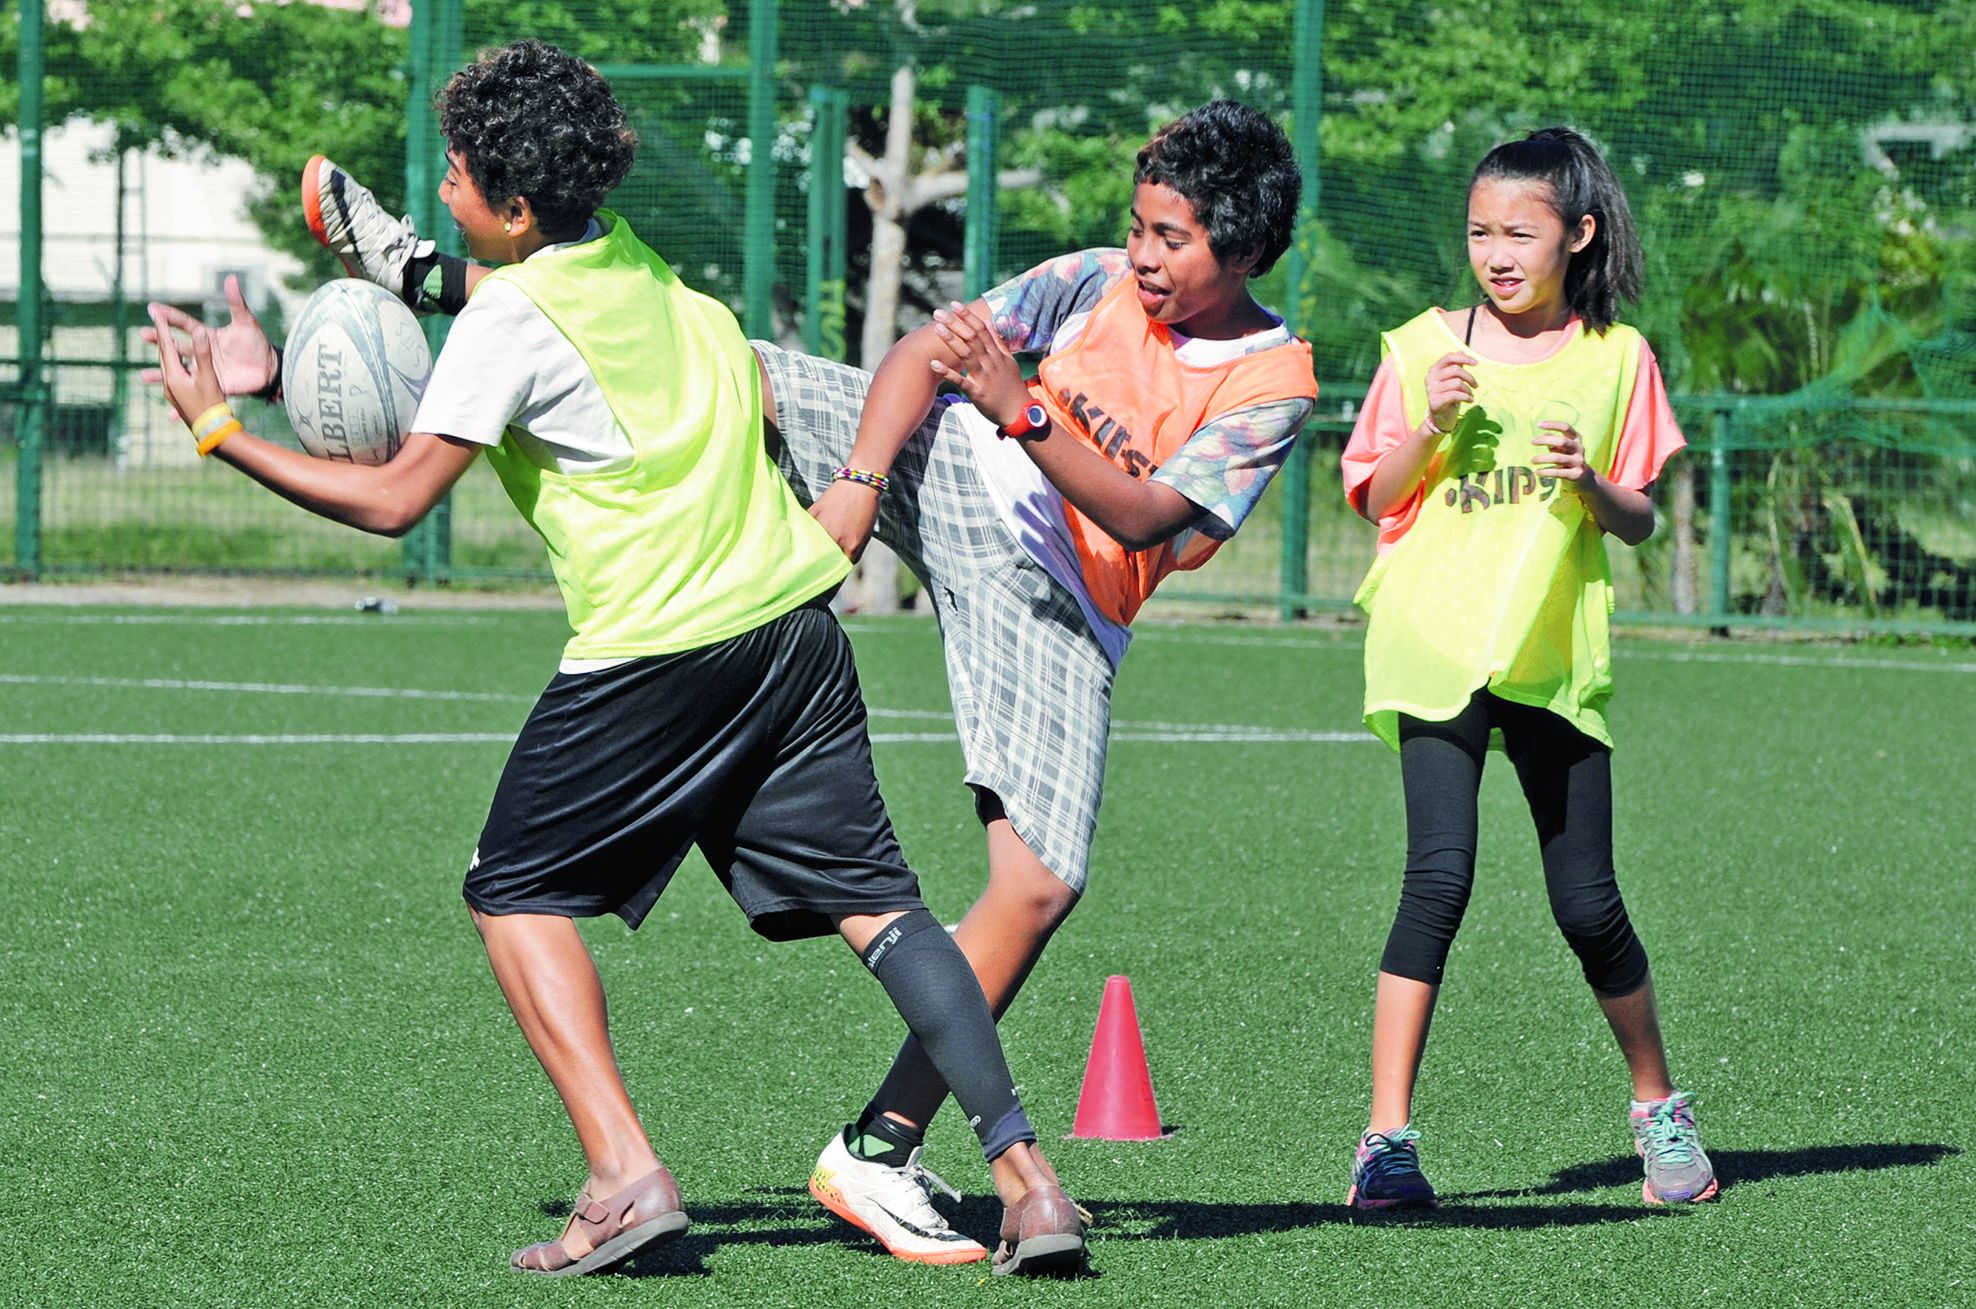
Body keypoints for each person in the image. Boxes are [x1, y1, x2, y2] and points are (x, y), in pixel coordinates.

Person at [295, 98, 1319, 1262]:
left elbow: (1144, 513)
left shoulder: (1274, 378)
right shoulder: (1093, 276)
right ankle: (429, 276)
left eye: (1171, 242)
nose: (1141, 257)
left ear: (1241, 251)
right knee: (719, 353)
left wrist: (1020, 405)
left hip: (1057, 596)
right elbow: (923, 356)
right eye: (1138, 227)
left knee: (1037, 887)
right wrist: (859, 478)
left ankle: (879, 1149)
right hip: (949, 466)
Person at [144, 38, 1085, 1277]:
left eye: (461, 176)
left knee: (509, 888)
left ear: (515, 204)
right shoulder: (645, 273)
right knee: (886, 911)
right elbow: (577, 348)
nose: (444, 193)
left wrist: (221, 428)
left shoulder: (513, 317)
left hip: (659, 651)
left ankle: (623, 1174)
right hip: (795, 630)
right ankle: (1029, 1184)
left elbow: (392, 503)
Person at [1336, 127, 1715, 1210]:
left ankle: (1657, 1112)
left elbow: (1636, 519)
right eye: (1477, 231)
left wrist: (1588, 481)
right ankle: (1384, 1142)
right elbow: (1372, 495)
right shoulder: (1418, 350)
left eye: (1519, 231)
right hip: (1432, 644)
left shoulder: (1614, 358)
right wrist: (1432, 426)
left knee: (1586, 900)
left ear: (1576, 234)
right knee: (1435, 881)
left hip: (1550, 651)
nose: (1495, 253)